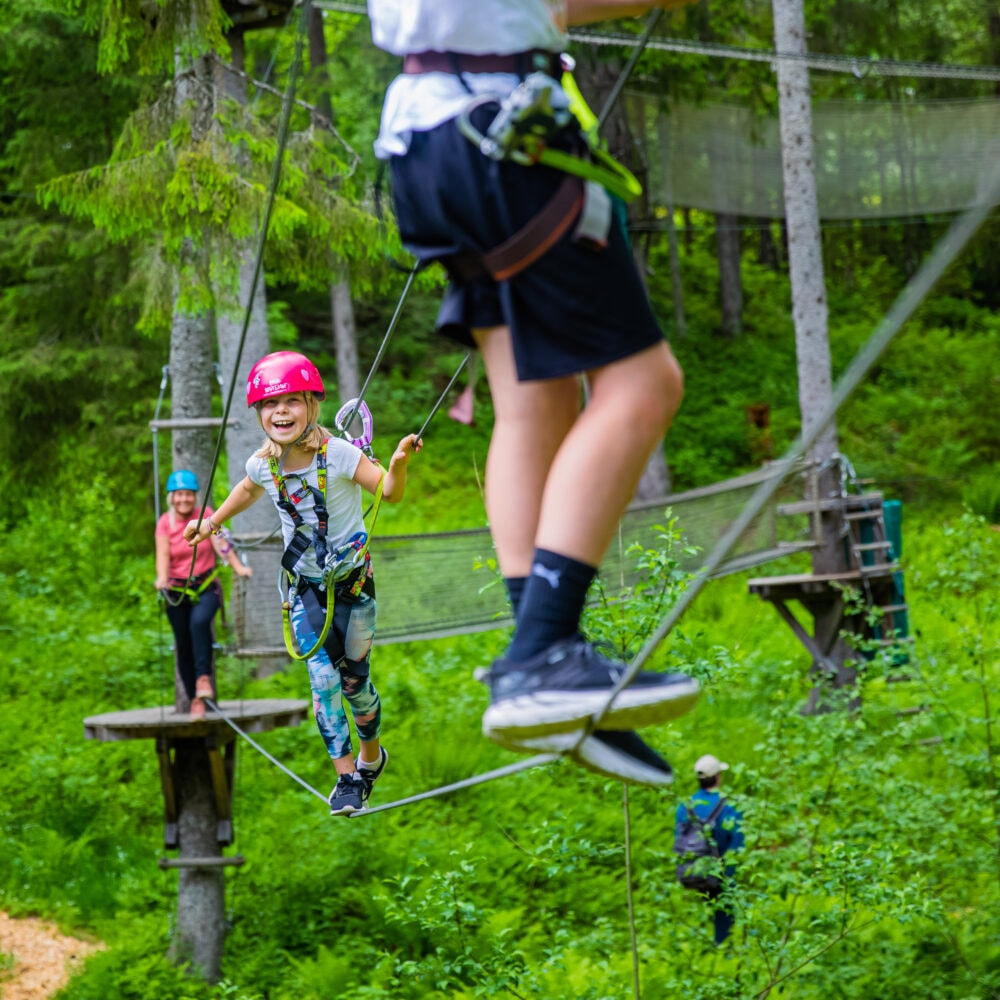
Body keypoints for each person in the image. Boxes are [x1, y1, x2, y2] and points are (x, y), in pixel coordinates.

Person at [368, 0, 700, 783]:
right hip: (503, 135)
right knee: (644, 384)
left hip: (425, 142)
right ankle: (543, 651)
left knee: (535, 400)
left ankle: (536, 661)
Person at [184, 351, 421, 816]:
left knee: (356, 684)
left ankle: (373, 755)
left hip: (353, 584)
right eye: (271, 406)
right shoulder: (262, 465)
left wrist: (397, 463)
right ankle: (347, 777)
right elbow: (247, 491)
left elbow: (389, 493)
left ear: (312, 406)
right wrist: (210, 523)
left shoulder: (339, 454)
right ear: (259, 415)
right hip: (306, 589)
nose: (281, 412)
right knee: (323, 683)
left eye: (292, 401)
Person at [155, 469, 254, 720]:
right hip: (176, 589)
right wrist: (162, 579)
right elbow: (163, 555)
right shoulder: (165, 523)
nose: (184, 500)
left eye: (188, 495)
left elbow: (222, 545)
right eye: (179, 495)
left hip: (205, 586)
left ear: (194, 497)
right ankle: (195, 699)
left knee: (199, 624)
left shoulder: (206, 516)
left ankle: (203, 679)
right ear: (171, 498)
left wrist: (238, 567)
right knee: (183, 643)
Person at [674, 754, 744, 945]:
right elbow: (738, 844)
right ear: (719, 776)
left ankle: (699, 951)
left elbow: (679, 839)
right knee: (724, 918)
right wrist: (729, 873)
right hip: (721, 872)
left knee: (699, 914)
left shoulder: (685, 806)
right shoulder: (729, 806)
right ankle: (724, 954)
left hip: (693, 871)